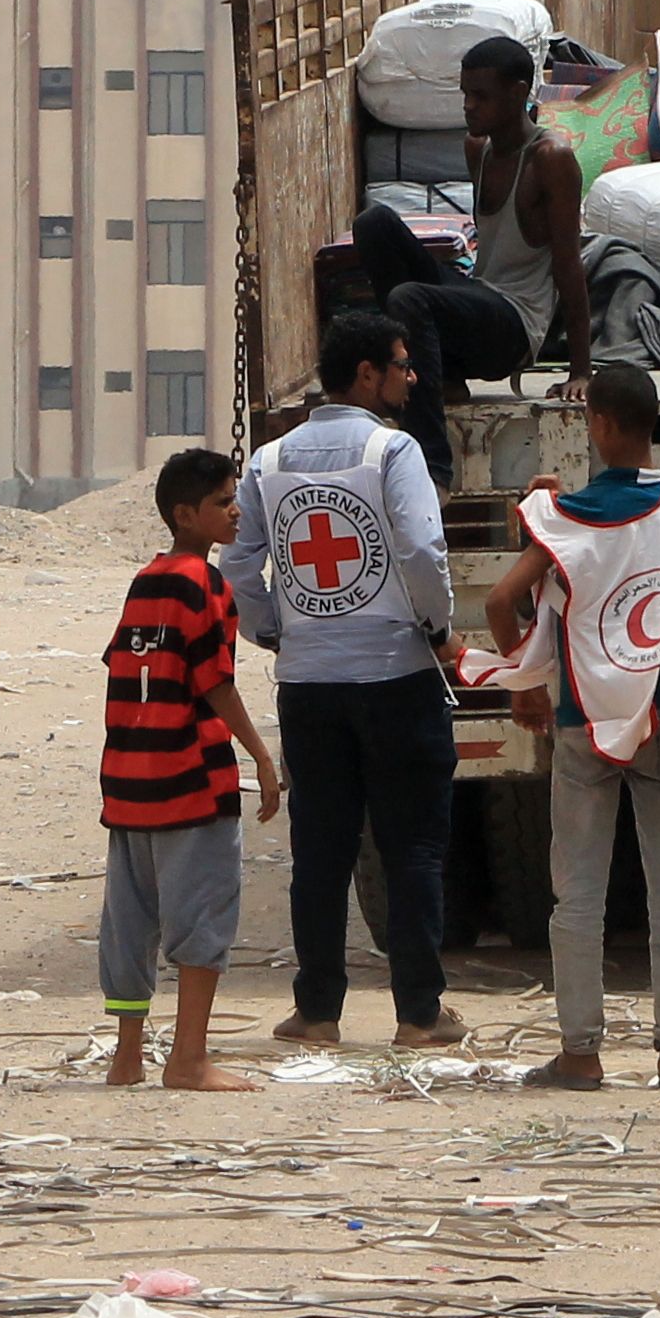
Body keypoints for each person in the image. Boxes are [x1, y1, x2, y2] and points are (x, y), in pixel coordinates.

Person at [223, 308, 468, 1049]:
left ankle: (318, 1012)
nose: (411, 375)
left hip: (309, 684)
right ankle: (420, 1015)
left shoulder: (267, 462)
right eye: (401, 363)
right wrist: (438, 627)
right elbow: (423, 550)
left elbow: (237, 562)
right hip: (397, 674)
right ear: (367, 374)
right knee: (414, 849)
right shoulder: (394, 451)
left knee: (321, 853)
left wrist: (271, 629)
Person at [485, 362, 660, 1092]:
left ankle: (581, 1050)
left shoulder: (563, 516)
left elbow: (501, 598)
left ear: (599, 426)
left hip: (583, 718)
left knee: (578, 895)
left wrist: (525, 680)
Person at [98, 449, 285, 1092]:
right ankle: (188, 1059)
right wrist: (261, 757)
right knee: (201, 919)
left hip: (127, 783)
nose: (235, 512)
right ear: (186, 514)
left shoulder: (145, 581)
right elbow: (215, 684)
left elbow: (123, 663)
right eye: (223, 503)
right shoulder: (206, 587)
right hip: (192, 780)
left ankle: (126, 1059)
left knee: (130, 924)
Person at [347, 36, 593, 485]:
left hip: (514, 326)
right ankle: (442, 375)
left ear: (518, 94)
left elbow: (569, 265)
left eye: (481, 96)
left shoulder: (549, 160)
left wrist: (581, 370)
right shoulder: (476, 149)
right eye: (465, 94)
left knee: (410, 298)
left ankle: (433, 467)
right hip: (478, 299)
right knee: (374, 224)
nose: (469, 107)